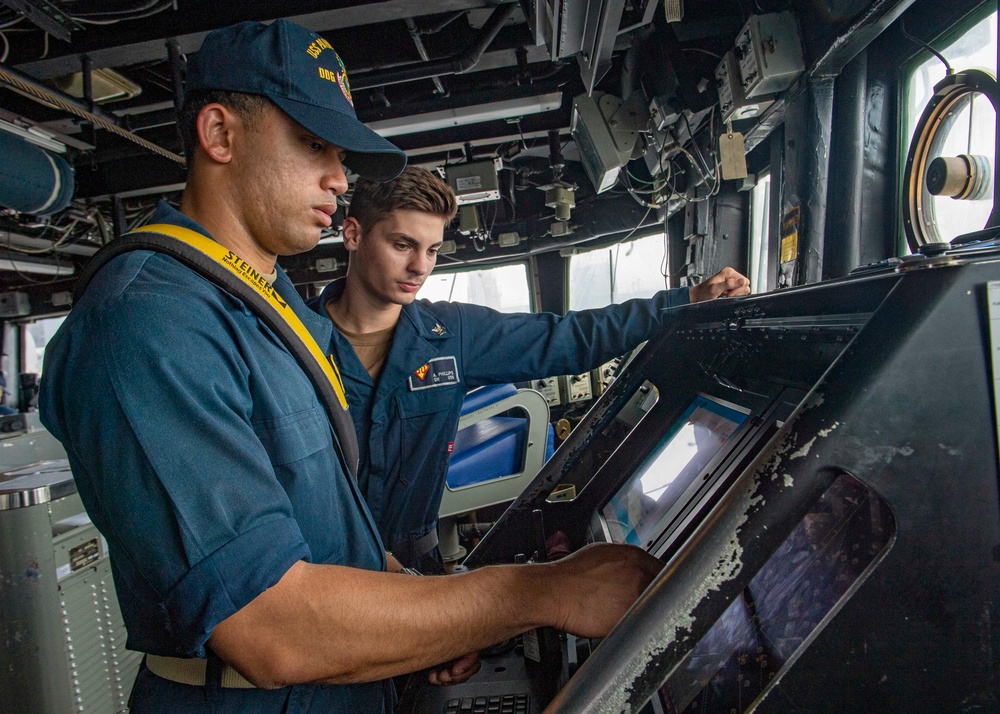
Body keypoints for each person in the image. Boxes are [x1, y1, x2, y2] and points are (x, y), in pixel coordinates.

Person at [38, 19, 663, 714]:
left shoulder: (273, 312)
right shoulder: (148, 323)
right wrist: (543, 591)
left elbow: (331, 527)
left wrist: (441, 612)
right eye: (311, 144)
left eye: (339, 152)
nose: (339, 177)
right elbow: (272, 626)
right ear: (219, 135)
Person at [314, 166, 751, 570]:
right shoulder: (292, 343)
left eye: (432, 250)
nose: (420, 267)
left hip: (414, 570)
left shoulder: (452, 334)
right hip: (319, 577)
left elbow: (570, 338)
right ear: (353, 234)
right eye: (403, 245)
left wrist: (683, 303)